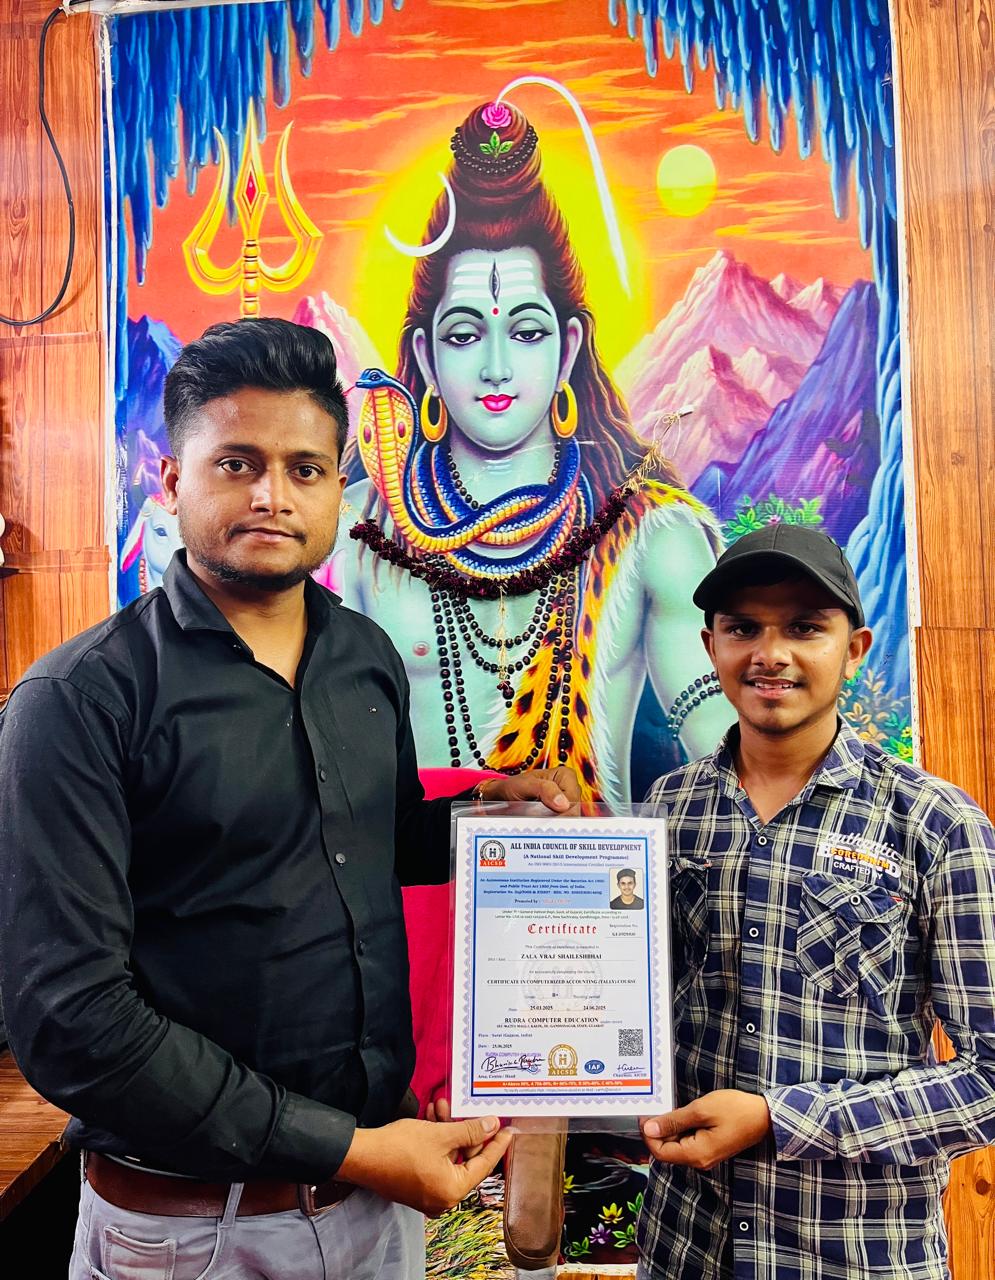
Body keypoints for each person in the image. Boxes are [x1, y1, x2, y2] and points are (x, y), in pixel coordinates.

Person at [0, 318, 582, 1280]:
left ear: (337, 490)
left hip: (378, 1211)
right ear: (169, 479)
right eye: (237, 463)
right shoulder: (80, 700)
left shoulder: (362, 657)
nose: (273, 495)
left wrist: (492, 816)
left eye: (305, 470)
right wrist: (350, 1148)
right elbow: (73, 1023)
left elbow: (377, 840)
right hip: (190, 1234)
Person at [338, 97, 731, 806]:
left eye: (525, 332)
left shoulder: (651, 535)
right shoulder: (358, 530)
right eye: (464, 335)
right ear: (424, 356)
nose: (496, 368)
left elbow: (721, 737)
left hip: (590, 871)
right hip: (407, 872)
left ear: (568, 346)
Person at [636, 524, 995, 1279]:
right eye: (743, 628)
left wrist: (781, 1120)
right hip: (684, 1247)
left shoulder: (935, 824)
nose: (770, 654)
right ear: (709, 647)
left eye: (804, 627)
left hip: (856, 1254)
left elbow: (989, 1081)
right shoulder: (665, 810)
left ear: (853, 649)